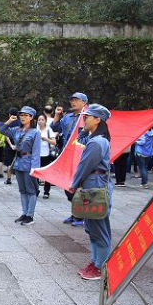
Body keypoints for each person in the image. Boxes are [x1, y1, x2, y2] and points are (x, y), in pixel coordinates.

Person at [71, 104, 113, 281]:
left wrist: (74, 184)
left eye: (87, 117)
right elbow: (79, 139)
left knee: (99, 228)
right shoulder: (95, 139)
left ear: (97, 120)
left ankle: (101, 267)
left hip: (95, 186)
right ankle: (95, 262)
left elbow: (85, 165)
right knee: (92, 227)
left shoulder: (97, 142)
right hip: (93, 184)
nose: (84, 120)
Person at [52, 92, 88, 226]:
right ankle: (75, 214)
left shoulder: (88, 117)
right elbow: (54, 128)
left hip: (81, 156)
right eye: (72, 100)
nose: (73, 102)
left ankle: (81, 216)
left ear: (84, 102)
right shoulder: (67, 117)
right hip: (67, 156)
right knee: (68, 187)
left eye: (77, 100)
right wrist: (57, 115)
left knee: (79, 187)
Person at [0, 106, 41, 225]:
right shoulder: (16, 130)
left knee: (31, 190)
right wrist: (9, 121)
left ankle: (30, 216)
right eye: (21, 115)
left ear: (31, 117)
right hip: (18, 162)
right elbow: (1, 130)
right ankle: (24, 213)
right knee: (22, 190)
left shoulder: (35, 132)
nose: (22, 117)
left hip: (29, 163)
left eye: (26, 115)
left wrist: (34, 168)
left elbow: (36, 152)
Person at [38, 114, 58, 198]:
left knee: (46, 174)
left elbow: (54, 142)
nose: (40, 121)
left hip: (46, 155)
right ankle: (36, 190)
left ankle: (46, 192)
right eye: (39, 120)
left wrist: (46, 139)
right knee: (36, 174)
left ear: (45, 121)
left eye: (42, 120)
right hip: (37, 155)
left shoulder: (48, 130)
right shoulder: (35, 130)